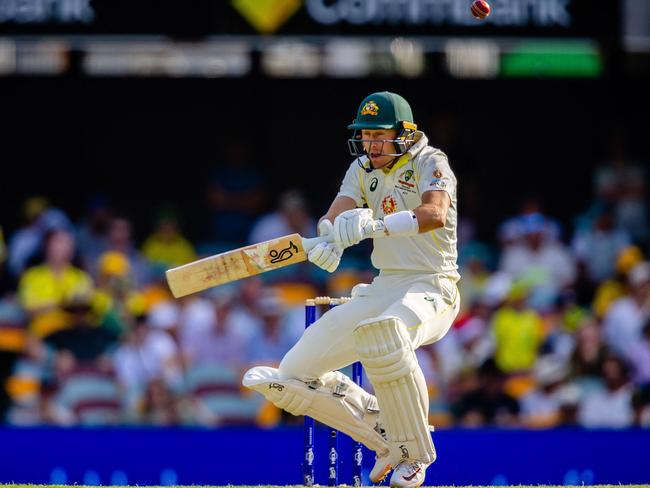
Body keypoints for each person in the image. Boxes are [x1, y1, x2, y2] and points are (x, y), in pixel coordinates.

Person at [243, 91, 460, 487]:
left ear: (405, 133)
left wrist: (375, 226)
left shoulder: (432, 161)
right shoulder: (362, 168)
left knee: (388, 334)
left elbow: (435, 213)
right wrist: (330, 238)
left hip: (433, 284)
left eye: (379, 135)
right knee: (294, 375)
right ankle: (382, 434)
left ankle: (415, 453)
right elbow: (335, 214)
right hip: (386, 283)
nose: (370, 145)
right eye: (365, 136)